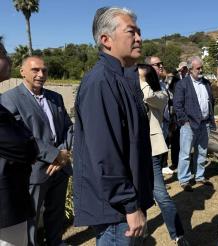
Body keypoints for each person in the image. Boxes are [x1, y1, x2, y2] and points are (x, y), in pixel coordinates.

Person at [72, 7, 154, 245]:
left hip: (125, 203)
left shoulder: (121, 78)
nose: (139, 38)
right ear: (106, 40)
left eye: (139, 32)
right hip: (116, 211)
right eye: (131, 32)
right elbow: (106, 154)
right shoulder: (101, 82)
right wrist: (129, 205)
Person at [1, 55, 73, 245]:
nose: (41, 74)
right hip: (33, 171)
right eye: (35, 70)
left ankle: (55, 242)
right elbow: (20, 138)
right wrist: (54, 155)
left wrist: (63, 152)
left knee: (56, 213)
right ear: (22, 71)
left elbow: (68, 127)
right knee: (30, 219)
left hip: (60, 167)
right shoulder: (9, 99)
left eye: (44, 70)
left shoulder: (55, 97)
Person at [138, 64, 189, 245]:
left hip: (152, 152)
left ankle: (178, 235)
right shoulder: (135, 95)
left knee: (161, 195)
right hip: (136, 153)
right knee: (138, 195)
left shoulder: (161, 94)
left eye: (140, 77)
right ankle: (142, 232)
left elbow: (148, 95)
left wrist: (141, 81)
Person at [0, 38, 39, 246]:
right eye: (4, 53)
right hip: (5, 211)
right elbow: (25, 147)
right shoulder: (8, 99)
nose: (8, 58)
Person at [173, 56, 216, 192]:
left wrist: (210, 117)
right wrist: (185, 121)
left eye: (202, 67)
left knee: (202, 151)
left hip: (204, 123)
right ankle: (184, 180)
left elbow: (211, 101)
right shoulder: (182, 84)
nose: (201, 70)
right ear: (190, 69)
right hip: (189, 124)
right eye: (198, 68)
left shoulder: (206, 83)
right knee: (185, 153)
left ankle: (199, 176)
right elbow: (177, 105)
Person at [145, 56, 174, 175]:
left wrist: (171, 120)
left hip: (165, 123)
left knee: (159, 156)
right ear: (149, 67)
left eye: (161, 63)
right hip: (153, 127)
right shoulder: (146, 84)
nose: (161, 66)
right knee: (152, 159)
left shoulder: (162, 83)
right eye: (157, 64)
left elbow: (169, 102)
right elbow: (150, 98)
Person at [166, 61, 188, 171]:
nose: (184, 70)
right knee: (174, 139)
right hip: (175, 113)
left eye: (186, 68)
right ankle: (175, 162)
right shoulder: (174, 79)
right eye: (182, 68)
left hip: (187, 113)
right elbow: (167, 90)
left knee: (184, 140)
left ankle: (184, 163)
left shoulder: (190, 80)